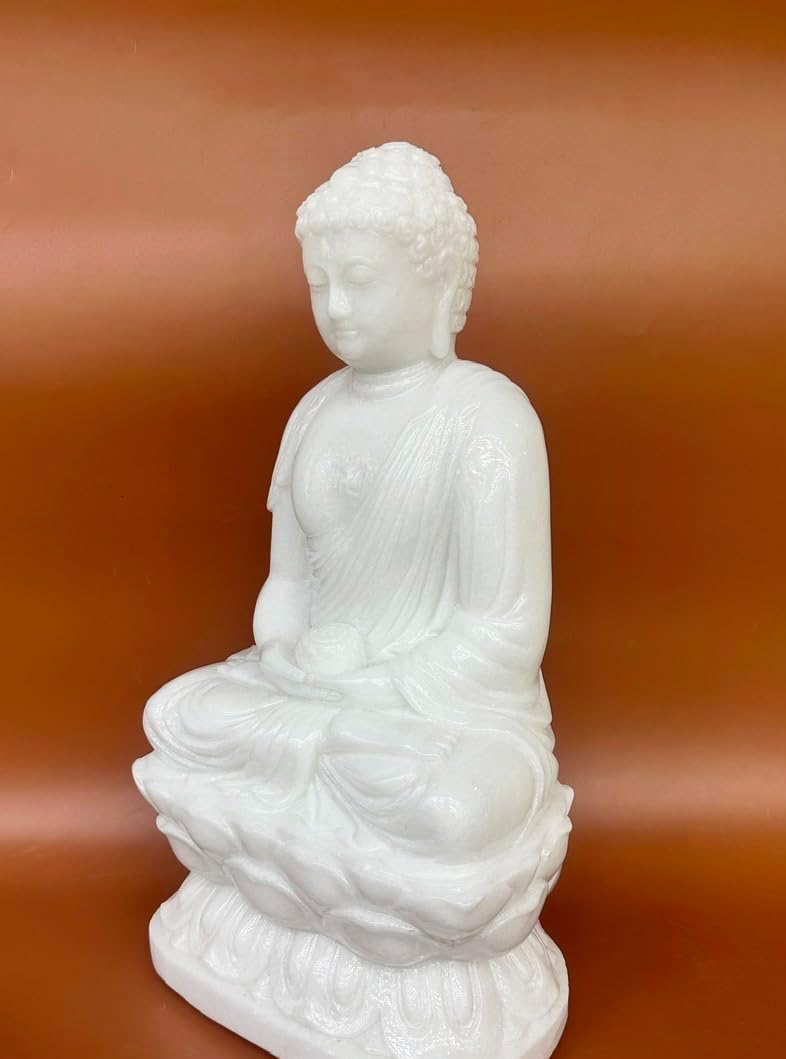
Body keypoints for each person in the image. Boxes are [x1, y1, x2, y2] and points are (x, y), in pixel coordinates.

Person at [134, 143, 571, 960]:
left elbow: (505, 633)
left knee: (452, 814)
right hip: (309, 694)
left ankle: (341, 887)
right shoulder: (312, 413)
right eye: (318, 283)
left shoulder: (489, 418)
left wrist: (375, 685)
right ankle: (323, 871)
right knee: (177, 716)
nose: (336, 307)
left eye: (362, 279)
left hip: (430, 716)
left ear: (438, 283)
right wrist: (285, 652)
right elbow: (287, 584)